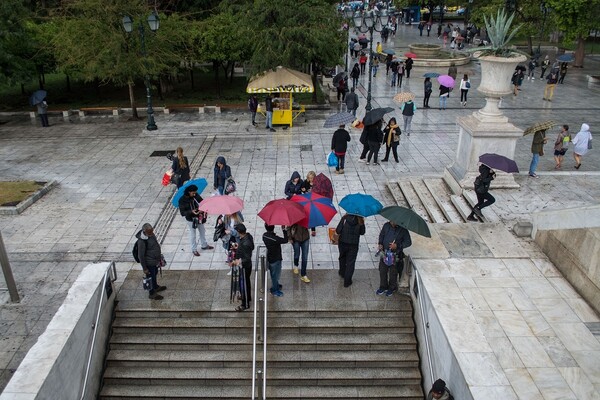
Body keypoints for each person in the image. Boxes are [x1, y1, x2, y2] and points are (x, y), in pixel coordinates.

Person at [376, 220, 412, 296]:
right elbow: (382, 235)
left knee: (393, 273)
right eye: (391, 221)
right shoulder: (386, 225)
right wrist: (380, 243)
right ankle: (383, 286)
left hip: (395, 255)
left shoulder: (403, 230)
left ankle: (392, 288)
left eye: (394, 221)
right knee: (382, 270)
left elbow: (408, 242)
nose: (392, 222)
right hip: (384, 253)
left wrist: (397, 245)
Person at [178, 184, 214, 256]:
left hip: (198, 216)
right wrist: (191, 211)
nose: (194, 194)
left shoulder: (195, 195)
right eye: (193, 193)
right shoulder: (182, 200)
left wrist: (203, 208)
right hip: (191, 219)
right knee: (193, 234)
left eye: (195, 192)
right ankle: (194, 249)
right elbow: (182, 213)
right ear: (189, 192)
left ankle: (204, 245)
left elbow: (202, 201)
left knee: (202, 230)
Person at [136, 223, 166, 300]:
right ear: (144, 231)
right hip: (149, 263)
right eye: (150, 232)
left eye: (152, 231)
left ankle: (155, 286)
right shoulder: (142, 242)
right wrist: (145, 268)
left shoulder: (151, 235)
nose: (152, 233)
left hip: (155, 261)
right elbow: (141, 256)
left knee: (155, 273)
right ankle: (152, 293)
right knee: (150, 277)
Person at [336, 214, 365, 287]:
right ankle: (347, 281)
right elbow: (362, 232)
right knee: (350, 263)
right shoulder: (360, 220)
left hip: (342, 243)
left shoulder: (345, 218)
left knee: (342, 258)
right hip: (353, 245)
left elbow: (338, 230)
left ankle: (342, 273)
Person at [232, 223, 254, 311]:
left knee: (243, 284)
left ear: (239, 231)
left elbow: (247, 258)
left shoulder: (245, 243)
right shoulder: (248, 237)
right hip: (247, 266)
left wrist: (238, 261)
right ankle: (247, 297)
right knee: (246, 283)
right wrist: (238, 246)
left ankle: (245, 304)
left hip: (245, 267)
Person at [262, 224, 288, 297]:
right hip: (276, 259)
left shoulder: (264, 235)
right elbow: (285, 240)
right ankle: (275, 290)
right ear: (273, 227)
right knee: (275, 275)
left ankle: (276, 285)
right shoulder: (275, 239)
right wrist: (284, 230)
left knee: (274, 274)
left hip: (270, 257)